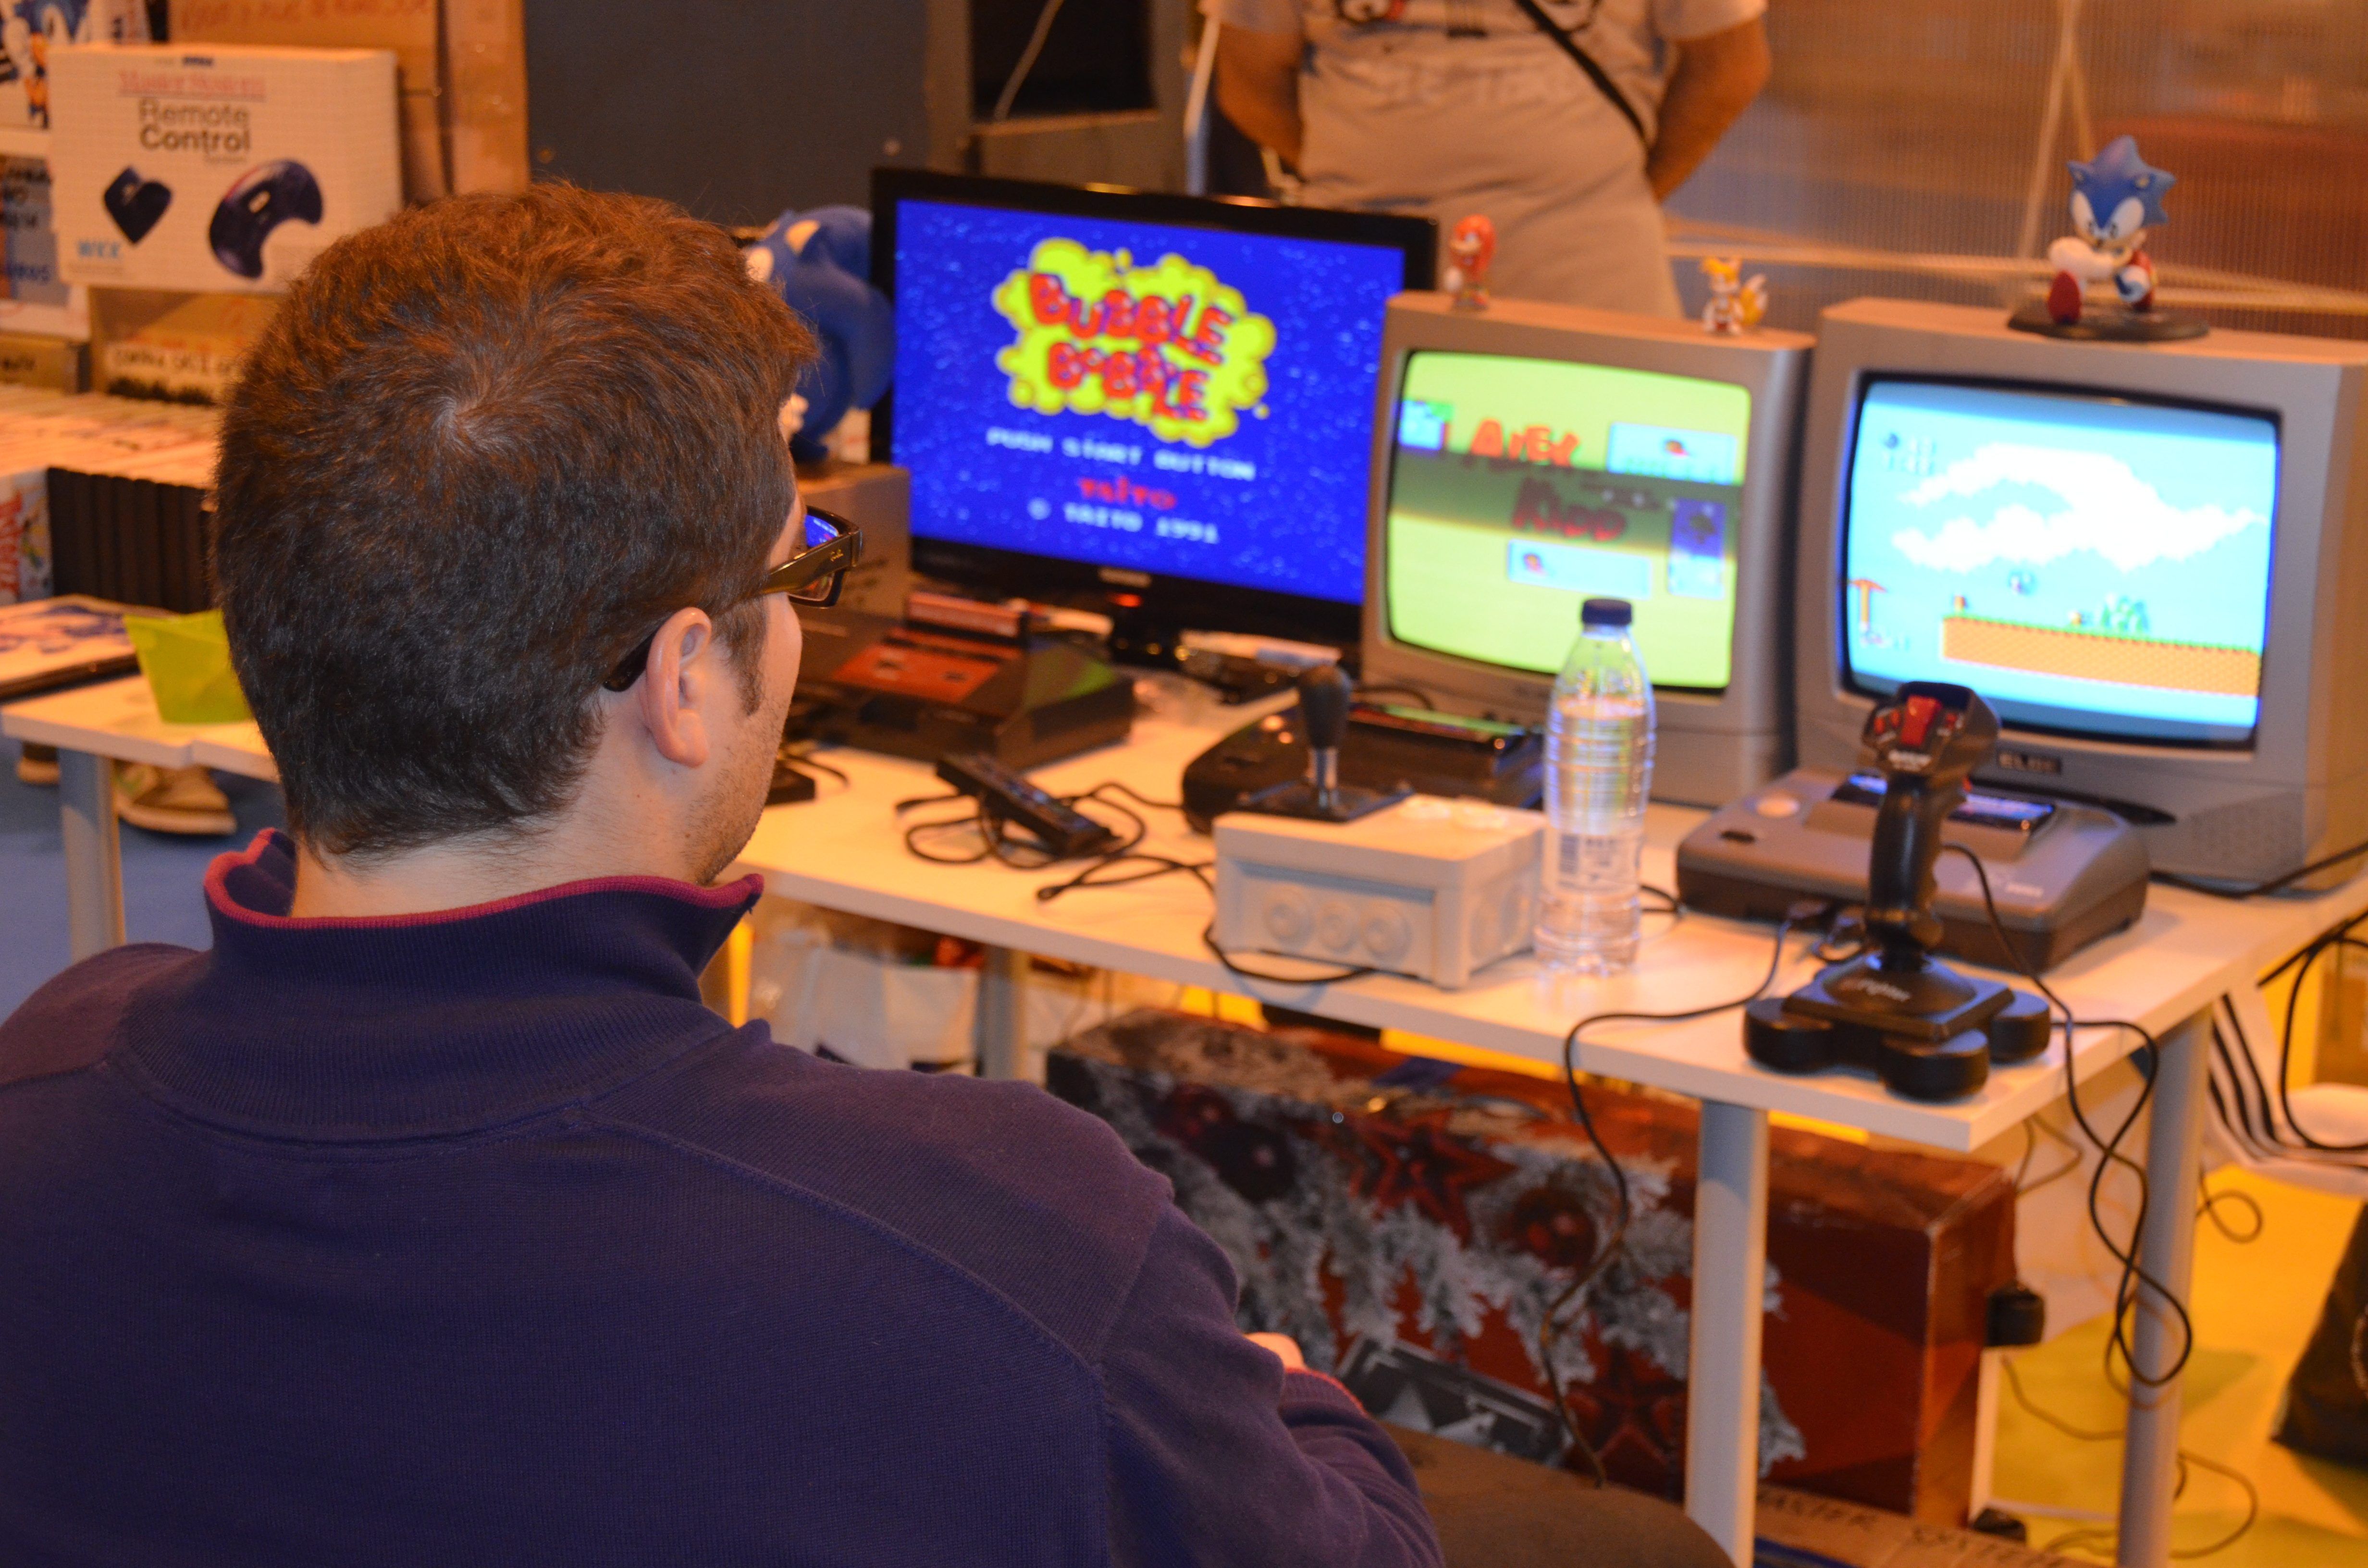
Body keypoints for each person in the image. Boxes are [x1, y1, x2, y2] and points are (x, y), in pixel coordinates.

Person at [0, 185, 1441, 1566]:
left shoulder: (43, 1084)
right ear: (682, 679)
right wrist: (1289, 1395)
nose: (804, 616)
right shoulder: (1016, 1242)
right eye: (799, 571)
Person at [1213, 0, 1771, 315]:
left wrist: (1599, 196)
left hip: (1590, 287)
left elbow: (1729, 68)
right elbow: (1247, 85)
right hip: (1364, 285)